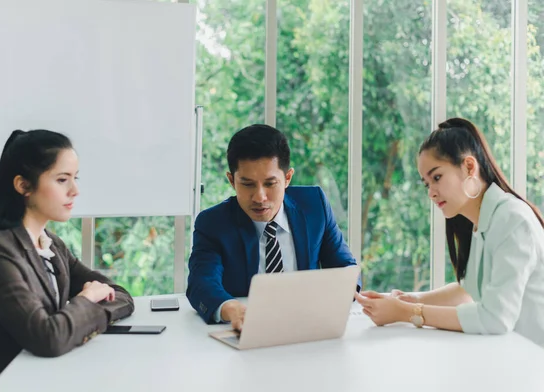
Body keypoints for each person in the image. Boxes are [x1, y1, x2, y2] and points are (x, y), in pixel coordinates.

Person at [0, 129, 135, 392]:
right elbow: (49, 338)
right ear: (23, 186)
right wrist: (89, 300)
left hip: (32, 385)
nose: (75, 190)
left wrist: (85, 313)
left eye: (75, 178)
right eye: (62, 180)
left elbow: (123, 296)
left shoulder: (52, 246)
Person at [355, 118, 544, 347]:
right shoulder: (483, 221)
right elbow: (468, 290)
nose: (431, 193)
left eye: (436, 177)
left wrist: (407, 312)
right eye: (426, 184)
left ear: (469, 167)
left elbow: (496, 318)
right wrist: (409, 299)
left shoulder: (512, 219)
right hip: (511, 357)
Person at [186, 124, 360, 330]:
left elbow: (346, 268)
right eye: (248, 184)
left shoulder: (315, 206)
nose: (260, 197)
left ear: (287, 178)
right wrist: (231, 308)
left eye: (270, 184)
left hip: (310, 330)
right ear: (232, 181)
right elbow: (201, 282)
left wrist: (339, 295)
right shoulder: (213, 223)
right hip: (246, 333)